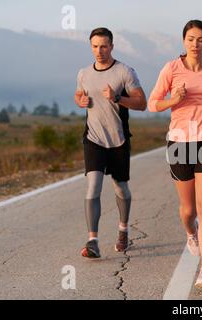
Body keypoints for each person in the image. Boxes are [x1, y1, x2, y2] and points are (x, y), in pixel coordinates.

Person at [148, 20, 202, 290]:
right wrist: (174, 100)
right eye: (190, 39)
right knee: (188, 210)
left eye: (200, 39)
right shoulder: (171, 68)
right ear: (183, 41)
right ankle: (190, 232)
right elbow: (153, 104)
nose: (195, 44)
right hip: (179, 142)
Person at [74, 27, 147, 259]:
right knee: (93, 185)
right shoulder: (84, 73)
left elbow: (141, 103)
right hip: (93, 139)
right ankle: (92, 241)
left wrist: (117, 98)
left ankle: (123, 229)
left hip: (118, 140)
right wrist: (81, 100)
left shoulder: (125, 71)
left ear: (112, 47)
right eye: (95, 46)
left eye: (104, 46)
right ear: (90, 47)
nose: (99, 51)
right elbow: (79, 94)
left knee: (120, 188)